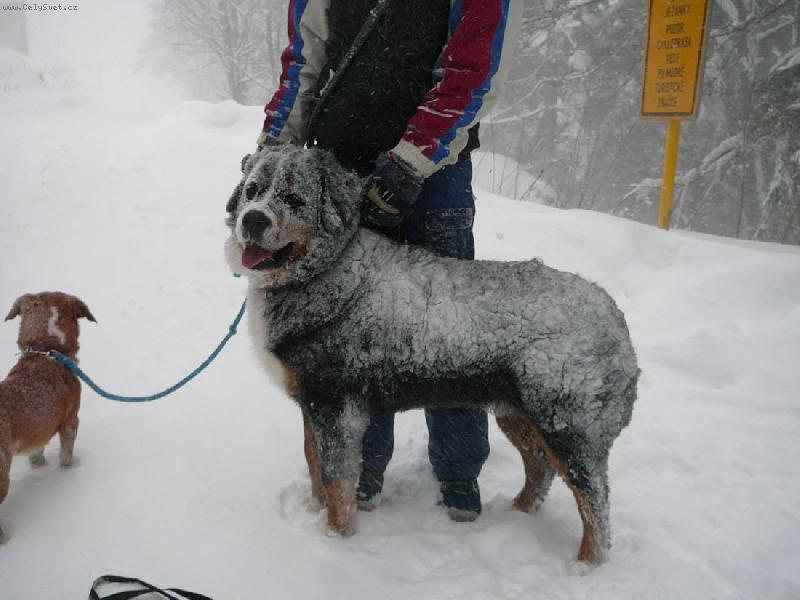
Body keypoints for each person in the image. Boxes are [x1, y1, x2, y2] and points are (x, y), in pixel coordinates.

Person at [255, 0, 521, 522]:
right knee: (349, 333)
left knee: (447, 329)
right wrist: (272, 150)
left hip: (436, 173)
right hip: (339, 171)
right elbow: (304, 61)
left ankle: (459, 472)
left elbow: (472, 69)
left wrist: (410, 161)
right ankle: (362, 466)